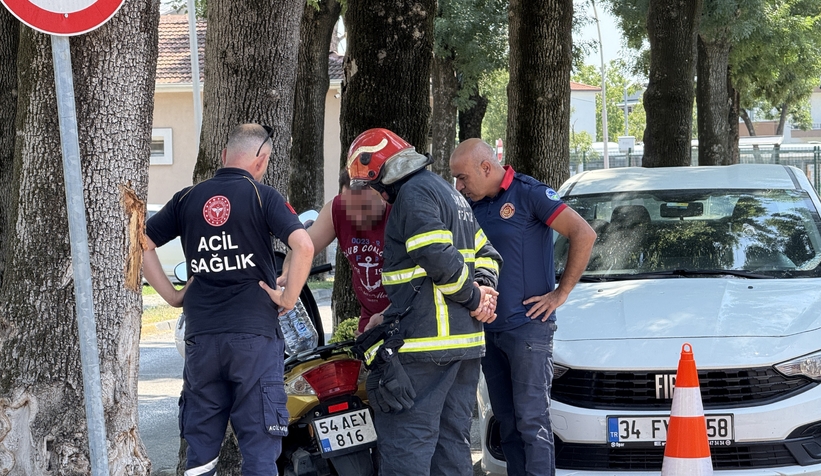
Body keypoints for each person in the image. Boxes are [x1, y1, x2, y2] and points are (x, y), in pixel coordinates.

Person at [143, 123, 314, 476]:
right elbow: (304, 245)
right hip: (254, 339)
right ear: (261, 160)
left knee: (201, 453)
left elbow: (141, 242)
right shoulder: (262, 196)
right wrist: (289, 296)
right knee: (259, 452)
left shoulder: (186, 199)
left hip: (202, 339)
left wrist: (174, 297)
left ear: (223, 156)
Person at [347, 128, 503, 476]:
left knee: (408, 448)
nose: (378, 193)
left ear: (382, 169)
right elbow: (488, 254)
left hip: (425, 349)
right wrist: (482, 291)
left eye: (374, 183)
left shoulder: (414, 193)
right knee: (451, 447)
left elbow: (433, 254)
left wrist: (475, 295)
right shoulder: (451, 194)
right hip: (464, 347)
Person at [449, 139, 596, 476]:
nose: (458, 186)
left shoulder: (528, 193)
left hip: (527, 329)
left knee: (532, 421)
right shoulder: (468, 205)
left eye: (462, 177)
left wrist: (560, 294)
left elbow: (583, 233)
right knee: (508, 423)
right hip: (486, 330)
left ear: (486, 167)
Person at [280, 169, 391, 334]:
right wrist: (287, 278)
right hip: (370, 318)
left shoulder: (399, 211)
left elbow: (421, 284)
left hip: (404, 315)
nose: (357, 217)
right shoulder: (336, 209)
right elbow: (301, 249)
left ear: (383, 195)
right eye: (350, 208)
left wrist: (386, 316)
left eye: (365, 208)